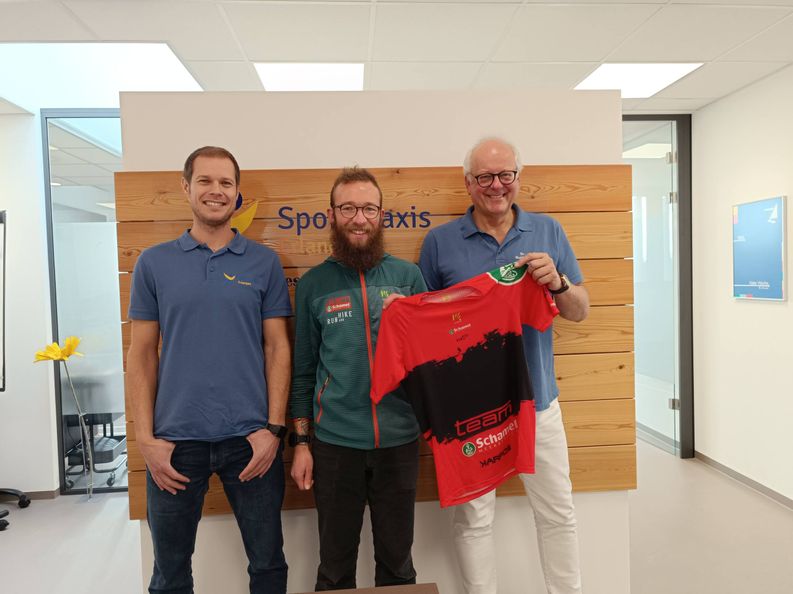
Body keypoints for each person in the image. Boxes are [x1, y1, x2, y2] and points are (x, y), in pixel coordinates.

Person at [418, 137, 589, 594]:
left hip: (539, 403)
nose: (496, 185)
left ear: (518, 176)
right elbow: (426, 326)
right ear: (468, 183)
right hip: (471, 411)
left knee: (558, 512)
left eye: (505, 174)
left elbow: (580, 310)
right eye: (484, 177)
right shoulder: (439, 243)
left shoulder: (548, 231)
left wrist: (558, 283)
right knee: (474, 520)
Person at [127, 146, 292, 594]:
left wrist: (273, 430)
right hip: (174, 444)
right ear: (186, 188)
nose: (215, 191)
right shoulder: (153, 263)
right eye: (205, 181)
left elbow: (277, 348)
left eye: (225, 183)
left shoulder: (263, 262)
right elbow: (141, 354)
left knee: (268, 566)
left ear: (238, 194)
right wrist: (146, 440)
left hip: (251, 442)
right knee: (170, 575)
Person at [289, 166, 427, 591]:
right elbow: (303, 371)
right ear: (331, 214)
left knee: (398, 566)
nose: (359, 219)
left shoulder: (408, 278)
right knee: (334, 569)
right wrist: (301, 443)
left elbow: (430, 363)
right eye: (348, 208)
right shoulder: (313, 284)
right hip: (335, 446)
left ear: (382, 215)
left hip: (399, 443)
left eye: (368, 208)